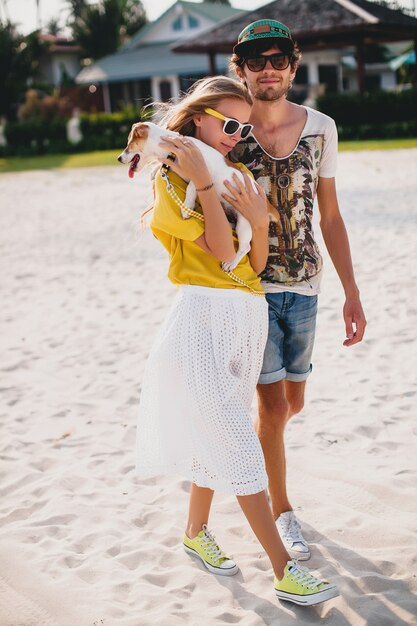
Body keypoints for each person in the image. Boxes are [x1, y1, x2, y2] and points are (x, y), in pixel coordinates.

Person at [135, 75, 339, 606]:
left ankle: (195, 532)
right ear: (197, 117)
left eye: (243, 128)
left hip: (247, 316)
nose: (235, 136)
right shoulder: (172, 179)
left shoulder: (239, 171)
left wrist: (256, 218)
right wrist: (207, 184)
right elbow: (224, 254)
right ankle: (283, 571)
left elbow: (256, 263)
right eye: (227, 124)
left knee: (217, 432)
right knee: (239, 443)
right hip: (203, 320)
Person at [228, 19, 367, 560]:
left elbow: (331, 216)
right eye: (256, 60)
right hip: (249, 290)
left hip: (307, 288)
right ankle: (282, 511)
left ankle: (260, 453)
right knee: (271, 406)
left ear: (293, 64)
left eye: (277, 59)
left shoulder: (322, 128)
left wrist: (352, 292)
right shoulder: (228, 134)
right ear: (241, 69)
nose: (267, 69)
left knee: (291, 403)